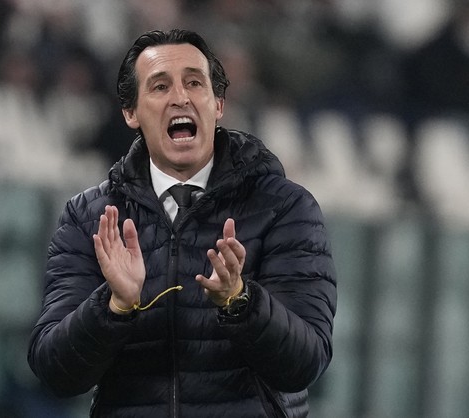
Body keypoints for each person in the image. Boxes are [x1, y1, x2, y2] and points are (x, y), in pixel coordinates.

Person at [27, 29, 337, 418]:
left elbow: (306, 364)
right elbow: (56, 374)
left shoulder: (285, 208)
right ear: (131, 113)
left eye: (195, 82)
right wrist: (114, 307)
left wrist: (241, 302)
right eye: (159, 86)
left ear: (218, 103)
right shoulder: (89, 217)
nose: (180, 97)